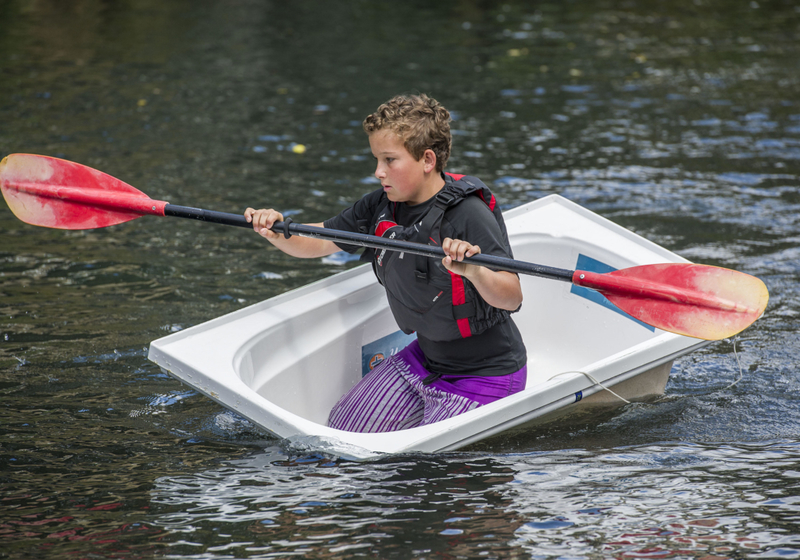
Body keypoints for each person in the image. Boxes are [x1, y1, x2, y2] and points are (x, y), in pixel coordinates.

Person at [245, 94, 527, 433]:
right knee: (343, 431)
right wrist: (278, 231)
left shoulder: (468, 214)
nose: (378, 172)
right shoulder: (381, 205)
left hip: (486, 374)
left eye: (389, 160)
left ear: (427, 159)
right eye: (377, 159)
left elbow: (512, 296)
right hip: (427, 359)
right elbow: (318, 240)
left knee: (421, 465)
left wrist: (475, 270)